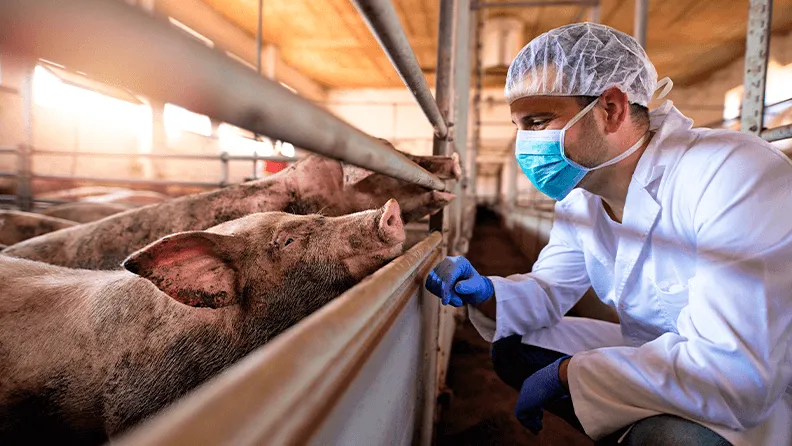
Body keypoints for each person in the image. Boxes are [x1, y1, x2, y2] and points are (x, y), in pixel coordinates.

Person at [425, 22, 792, 446]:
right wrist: (487, 291)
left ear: (612, 108)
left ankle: (650, 432)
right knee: (514, 348)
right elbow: (550, 288)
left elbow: (735, 375)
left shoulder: (731, 172)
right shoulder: (581, 195)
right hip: (664, 350)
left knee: (667, 440)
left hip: (758, 386)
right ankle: (628, 426)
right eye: (519, 125)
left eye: (538, 121)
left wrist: (569, 374)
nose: (525, 142)